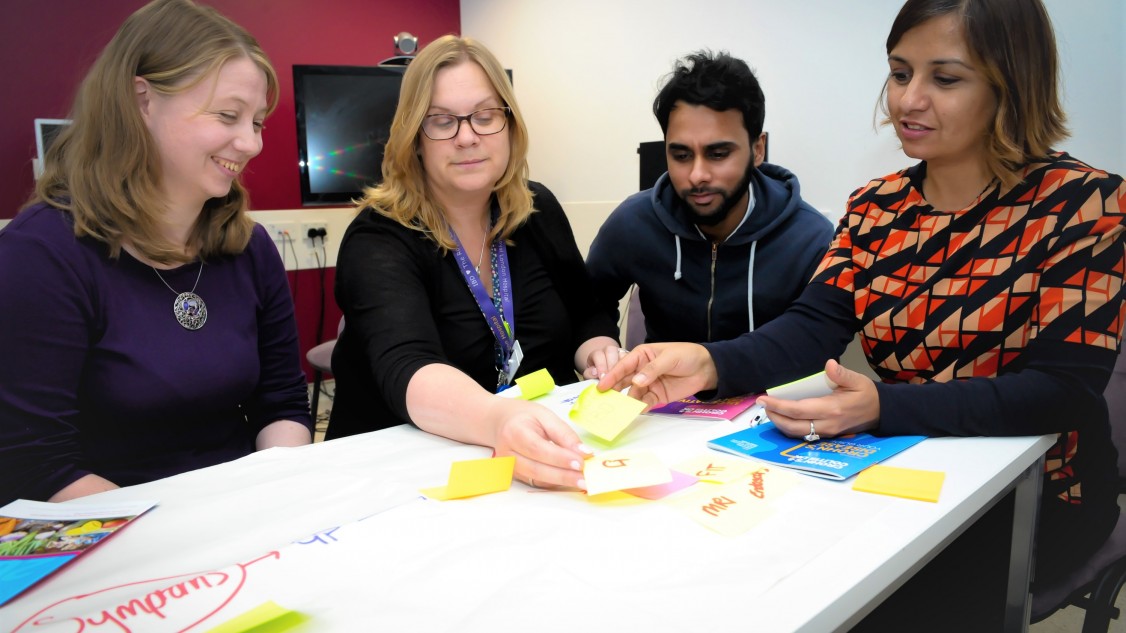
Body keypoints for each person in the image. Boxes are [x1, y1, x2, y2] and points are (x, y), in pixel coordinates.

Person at [600, 0, 1123, 626]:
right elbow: (808, 330)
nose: (908, 100)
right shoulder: (876, 207)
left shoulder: (1085, 204)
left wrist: (880, 407)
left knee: (876, 604)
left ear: (1012, 85)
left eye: (945, 78)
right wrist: (708, 363)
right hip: (904, 467)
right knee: (752, 567)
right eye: (900, 73)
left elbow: (1061, 391)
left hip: (1039, 491)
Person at [0, 0, 312, 506]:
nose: (251, 143)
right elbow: (36, 464)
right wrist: (180, 529)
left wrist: (275, 498)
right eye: (228, 115)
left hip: (239, 515)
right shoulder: (41, 255)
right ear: (142, 101)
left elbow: (282, 404)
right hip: (111, 529)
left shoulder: (250, 248)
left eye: (257, 122)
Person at [326, 35, 621, 490]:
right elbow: (409, 366)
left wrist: (598, 350)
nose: (467, 137)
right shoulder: (379, 237)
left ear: (510, 126)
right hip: (402, 479)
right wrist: (499, 417)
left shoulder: (537, 209)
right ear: (414, 138)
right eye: (441, 121)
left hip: (529, 462)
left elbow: (587, 313)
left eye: (485, 116)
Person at [586, 51, 833, 346]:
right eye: (681, 155)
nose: (697, 175)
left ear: (757, 149)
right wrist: (601, 347)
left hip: (771, 378)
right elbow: (587, 306)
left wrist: (711, 365)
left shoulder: (809, 239)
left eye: (717, 154)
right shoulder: (634, 222)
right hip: (659, 377)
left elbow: (816, 342)